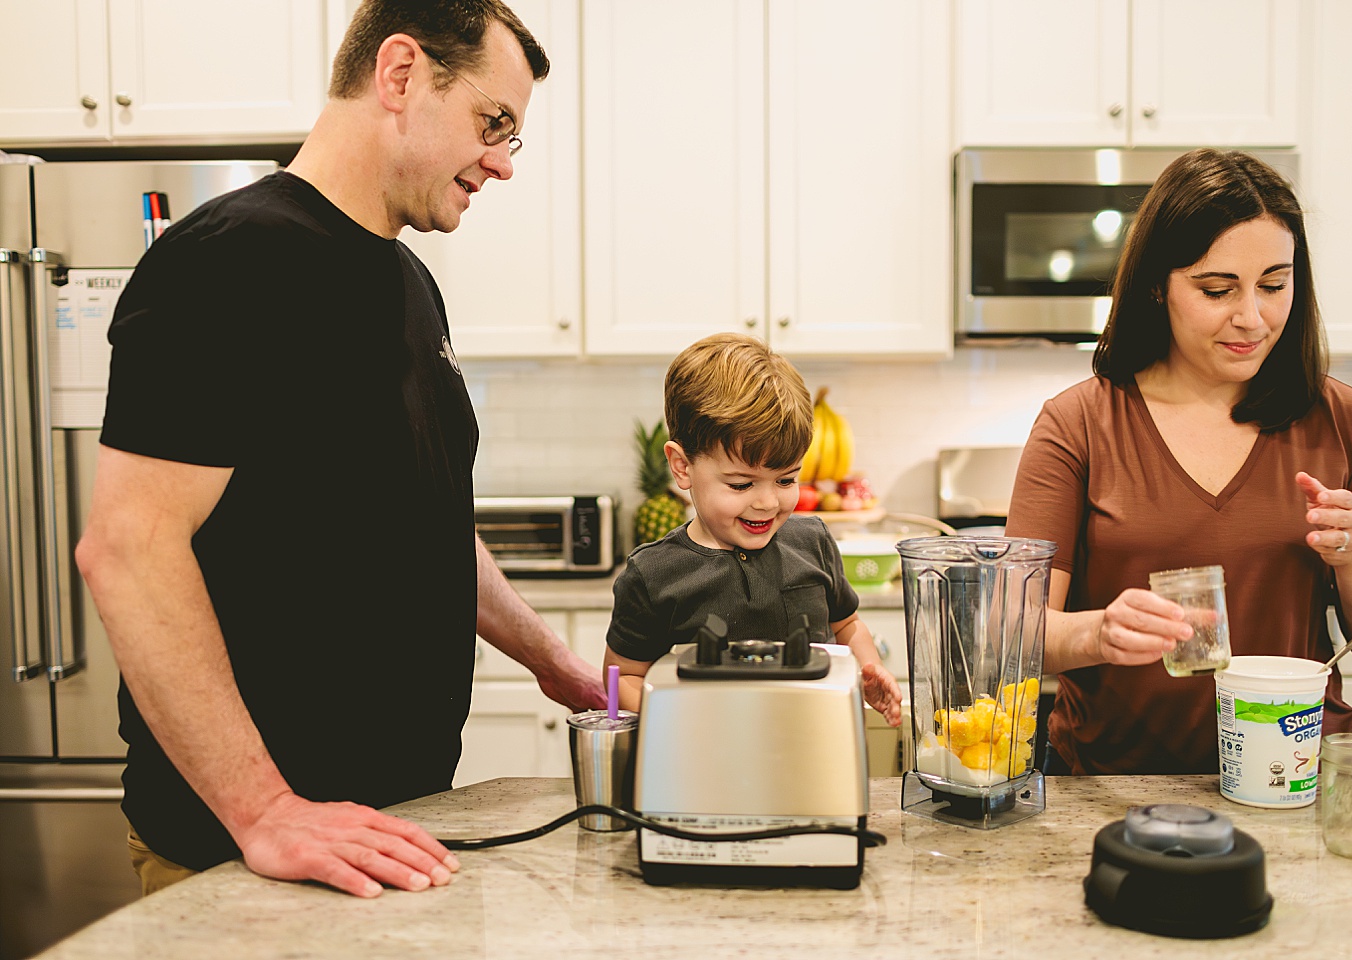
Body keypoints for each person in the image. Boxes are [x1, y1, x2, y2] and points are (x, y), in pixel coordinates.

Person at [74, 0, 604, 899]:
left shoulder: (407, 282)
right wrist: (265, 811)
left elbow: (423, 524)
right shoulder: (232, 259)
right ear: (400, 75)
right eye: (494, 122)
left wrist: (551, 662)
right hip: (246, 862)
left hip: (392, 837)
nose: (506, 163)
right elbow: (128, 548)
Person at [1005, 148, 1352, 776]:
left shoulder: (1344, 420)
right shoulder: (1080, 423)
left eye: (1274, 285)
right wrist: (1096, 634)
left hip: (1291, 785)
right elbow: (1013, 636)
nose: (1252, 318)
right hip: (1112, 792)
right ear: (1157, 284)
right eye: (1217, 289)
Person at [603, 333, 903, 726]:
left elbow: (846, 625)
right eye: (741, 484)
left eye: (785, 480)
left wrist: (870, 669)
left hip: (809, 751)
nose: (767, 502)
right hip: (701, 761)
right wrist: (678, 716)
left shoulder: (812, 541)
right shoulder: (653, 574)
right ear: (682, 467)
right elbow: (620, 678)